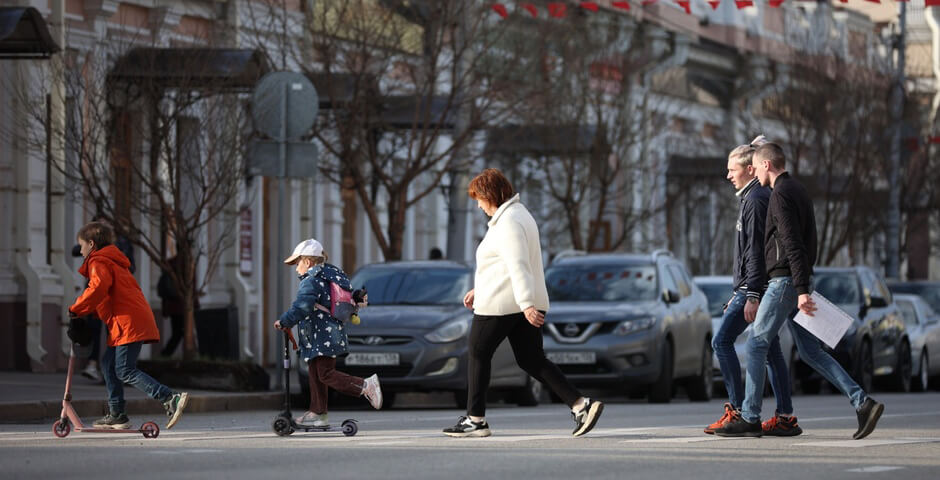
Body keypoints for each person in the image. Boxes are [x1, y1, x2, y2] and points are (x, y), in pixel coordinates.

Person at [714, 143, 885, 439]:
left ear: (766, 165)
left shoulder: (780, 195)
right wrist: (804, 283)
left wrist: (801, 289)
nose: (755, 174)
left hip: (785, 283)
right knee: (810, 352)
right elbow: (809, 243)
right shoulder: (798, 190)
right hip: (798, 281)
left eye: (756, 167)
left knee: (756, 343)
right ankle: (862, 402)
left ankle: (750, 417)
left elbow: (792, 244)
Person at [442, 168, 604, 438]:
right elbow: (505, 265)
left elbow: (518, 265)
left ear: (489, 195)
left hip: (503, 304)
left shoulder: (508, 223)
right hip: (515, 300)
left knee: (478, 352)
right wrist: (480, 289)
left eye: (479, 199)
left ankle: (475, 419)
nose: (478, 206)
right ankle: (580, 405)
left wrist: (527, 304)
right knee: (531, 359)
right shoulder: (518, 215)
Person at [705, 136, 801, 437]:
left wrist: (751, 293)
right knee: (770, 349)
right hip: (754, 286)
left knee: (721, 341)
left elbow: (756, 250)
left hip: (754, 287)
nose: (728, 175)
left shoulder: (757, 199)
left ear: (750, 169)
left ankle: (739, 411)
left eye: (732, 169)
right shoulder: (752, 197)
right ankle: (784, 415)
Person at [68, 221, 189, 430]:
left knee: (124, 370)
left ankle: (170, 397)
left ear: (91, 243)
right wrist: (87, 313)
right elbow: (109, 296)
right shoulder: (113, 262)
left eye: (81, 245)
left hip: (127, 323)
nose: (80, 250)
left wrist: (75, 309)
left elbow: (97, 289)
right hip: (128, 320)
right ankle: (117, 414)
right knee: (108, 364)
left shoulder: (98, 261)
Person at [273, 238, 383, 427]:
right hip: (327, 333)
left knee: (325, 373)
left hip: (321, 334)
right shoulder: (331, 275)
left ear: (308, 261)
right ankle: (318, 413)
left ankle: (365, 385)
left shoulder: (311, 281)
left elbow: (302, 306)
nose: (296, 268)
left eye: (297, 263)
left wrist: (284, 321)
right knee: (316, 373)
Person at [70, 214, 136, 381]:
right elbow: (75, 250)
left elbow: (129, 267)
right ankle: (94, 365)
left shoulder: (119, 245)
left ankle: (114, 369)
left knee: (111, 333)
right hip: (97, 296)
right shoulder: (92, 246)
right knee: (94, 329)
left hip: (111, 297)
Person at [157, 256, 199, 357]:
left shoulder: (171, 264)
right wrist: (196, 304)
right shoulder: (187, 264)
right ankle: (166, 355)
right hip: (182, 305)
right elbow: (191, 287)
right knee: (181, 333)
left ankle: (166, 355)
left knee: (179, 333)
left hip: (174, 306)